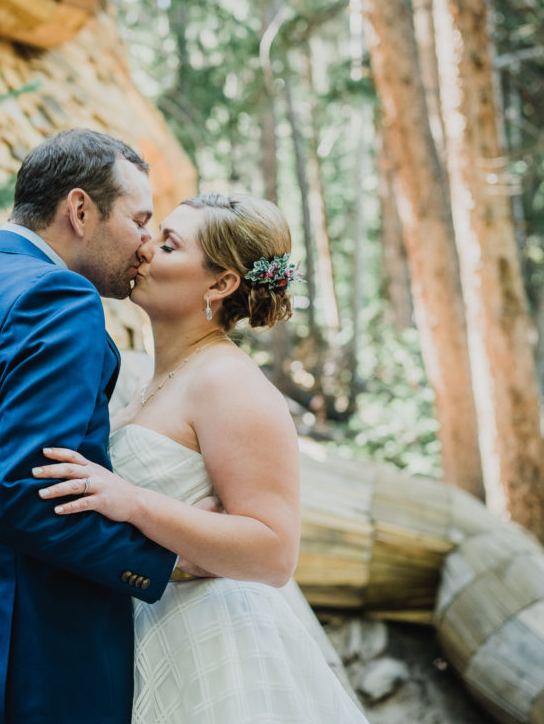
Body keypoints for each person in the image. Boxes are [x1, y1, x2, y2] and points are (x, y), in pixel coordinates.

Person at [32, 193, 370, 723]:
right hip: (145, 628)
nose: (144, 248)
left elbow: (275, 552)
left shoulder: (229, 382)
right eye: (153, 233)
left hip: (216, 650)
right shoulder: (154, 381)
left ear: (220, 283)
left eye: (168, 245)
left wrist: (136, 503)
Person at [0, 129, 178, 724]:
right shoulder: (57, 298)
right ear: (80, 210)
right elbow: (27, 499)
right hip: (36, 663)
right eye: (140, 219)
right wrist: (166, 562)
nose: (147, 243)